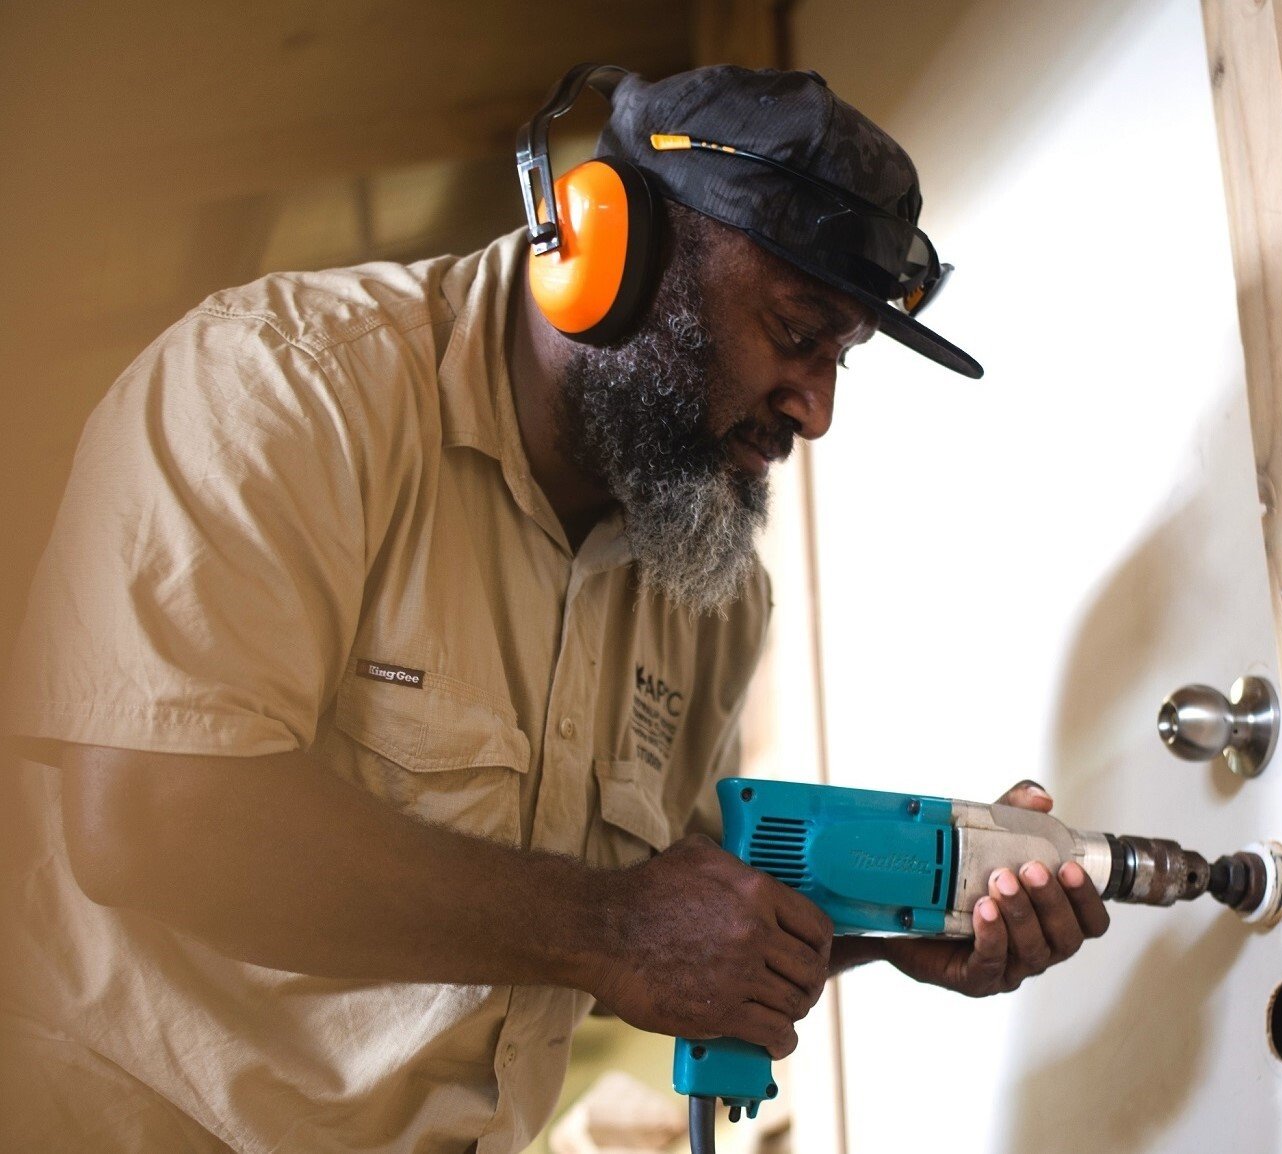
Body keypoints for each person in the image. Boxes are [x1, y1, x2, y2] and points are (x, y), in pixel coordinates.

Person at [1, 64, 1109, 1154]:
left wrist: (898, 925)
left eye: (840, 360)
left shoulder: (707, 591)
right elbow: (148, 816)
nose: (815, 409)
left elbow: (637, 927)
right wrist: (616, 931)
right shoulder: (286, 387)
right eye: (796, 330)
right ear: (610, 253)